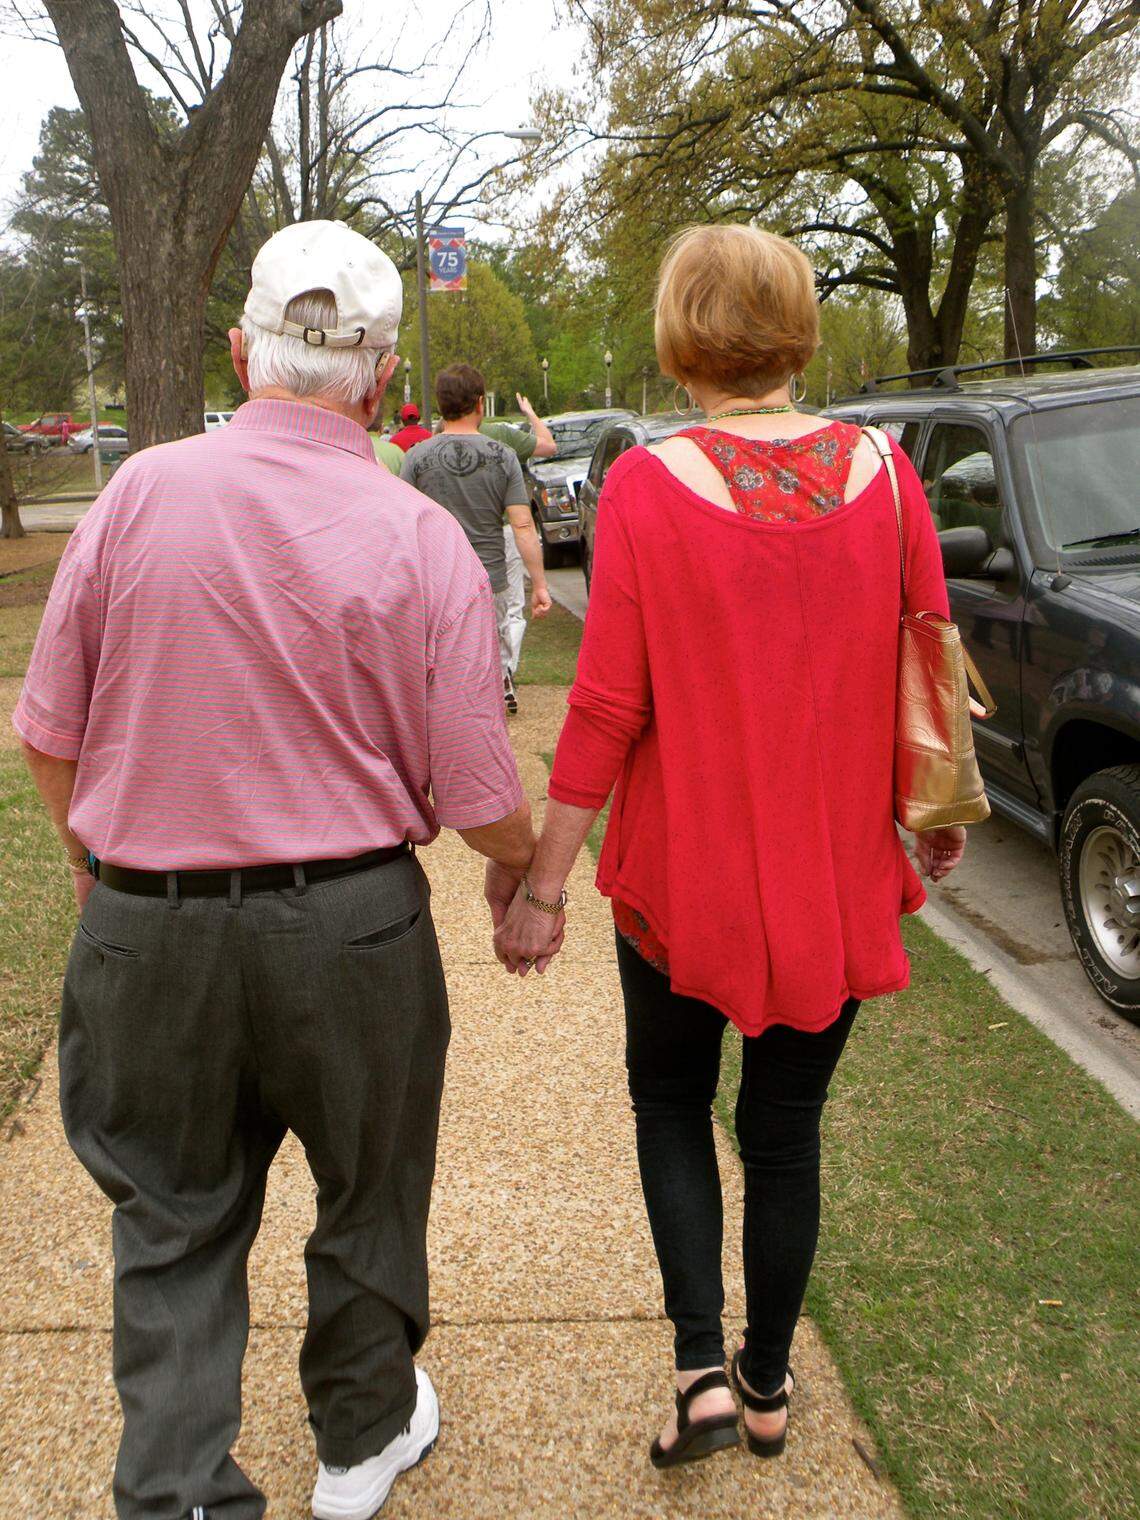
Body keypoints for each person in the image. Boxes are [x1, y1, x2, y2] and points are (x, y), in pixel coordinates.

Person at [14, 219, 541, 1520]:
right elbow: (480, 795)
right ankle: (361, 1435)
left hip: (151, 923)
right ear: (378, 379)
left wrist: (99, 870)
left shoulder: (138, 493)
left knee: (174, 1223)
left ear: (244, 353)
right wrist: (525, 875)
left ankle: (181, 1490)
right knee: (369, 1193)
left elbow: (47, 735)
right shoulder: (418, 537)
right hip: (353, 929)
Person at [493, 224, 969, 1468]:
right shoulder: (885, 466)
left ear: (683, 330)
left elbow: (606, 703)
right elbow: (931, 648)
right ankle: (765, 1380)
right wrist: (942, 812)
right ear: (795, 324)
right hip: (833, 865)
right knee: (786, 1126)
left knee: (668, 1097)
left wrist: (543, 880)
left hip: (681, 872)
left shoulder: (647, 485)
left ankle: (700, 1364)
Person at [401, 363, 553, 714]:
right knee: (486, 667)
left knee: (440, 670)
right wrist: (540, 584)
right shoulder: (504, 456)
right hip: (489, 580)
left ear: (440, 405)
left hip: (436, 582)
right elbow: (523, 526)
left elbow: (403, 524)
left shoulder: (417, 458)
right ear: (480, 404)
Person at [480, 394, 557, 711]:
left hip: (463, 530)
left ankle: (486, 677)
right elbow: (548, 446)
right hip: (505, 529)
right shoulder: (502, 435)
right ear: (480, 403)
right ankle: (505, 671)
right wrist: (530, 412)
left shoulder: (443, 434)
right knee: (510, 606)